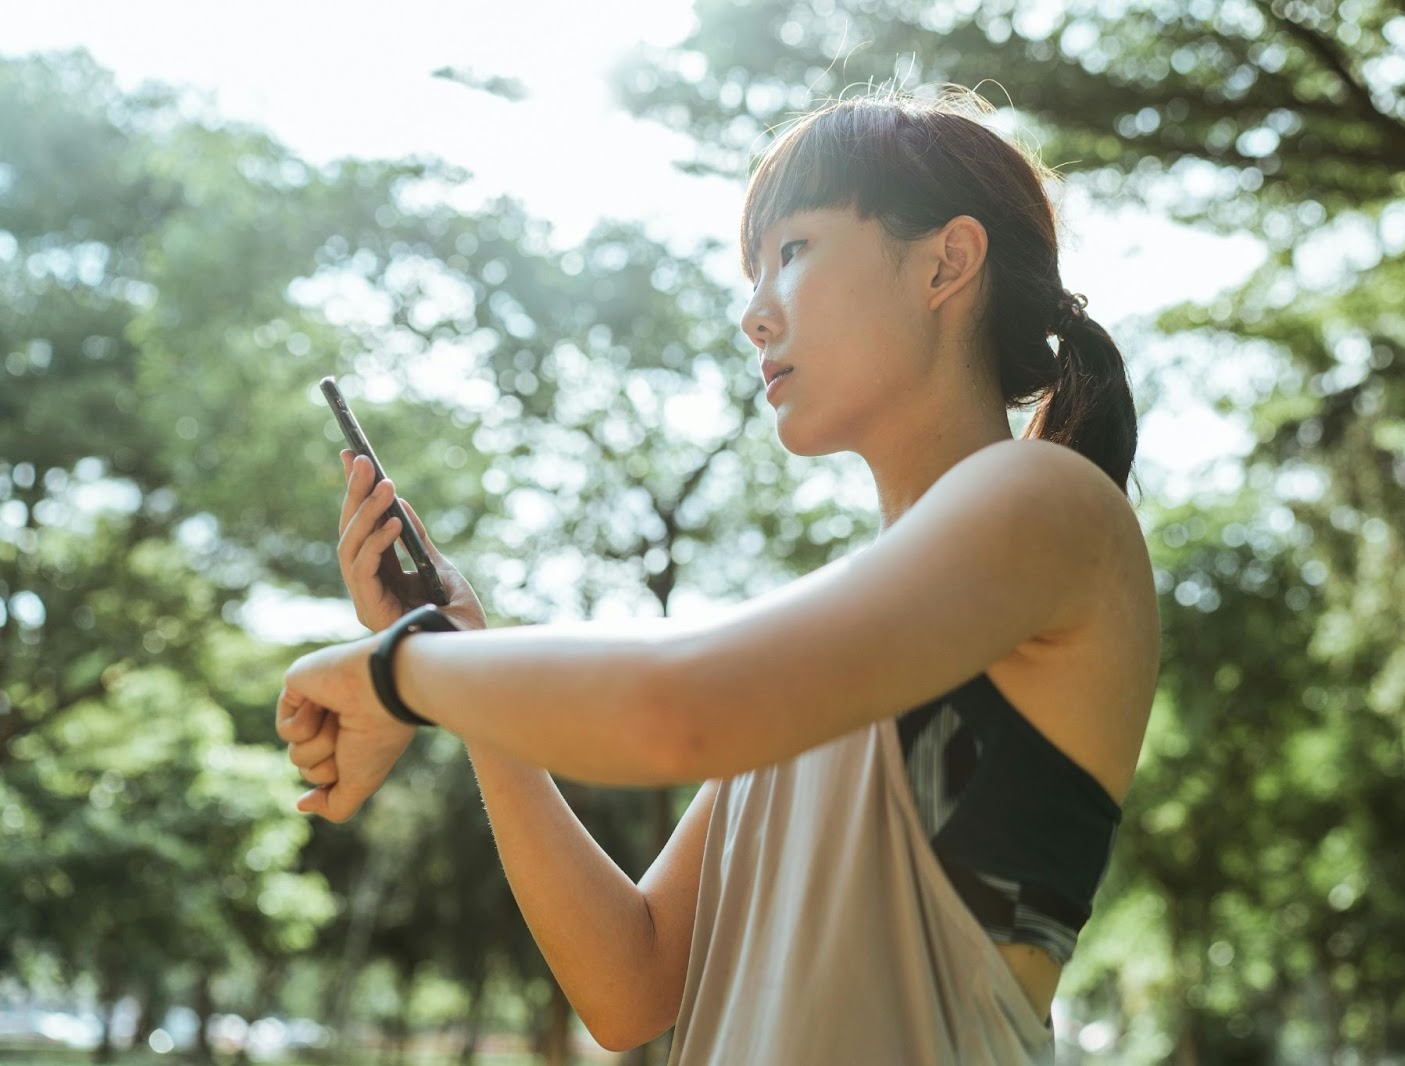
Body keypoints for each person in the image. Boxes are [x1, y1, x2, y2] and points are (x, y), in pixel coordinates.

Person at [276, 87, 1160, 1064]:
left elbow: (675, 707)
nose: (753, 314)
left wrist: (401, 673)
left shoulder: (1048, 505)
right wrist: (458, 650)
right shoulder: (831, 656)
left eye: (792, 251)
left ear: (945, 261)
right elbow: (630, 982)